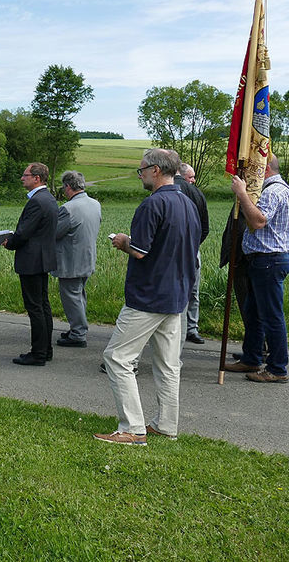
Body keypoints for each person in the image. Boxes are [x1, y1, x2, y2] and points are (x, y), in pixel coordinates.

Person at [94, 148, 200, 446]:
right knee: (168, 364)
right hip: (178, 294)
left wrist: (122, 241)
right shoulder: (187, 202)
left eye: (141, 169)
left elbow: (140, 250)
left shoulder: (152, 205)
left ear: (155, 170)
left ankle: (132, 427)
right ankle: (166, 424)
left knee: (117, 357)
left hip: (149, 295)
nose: (139, 174)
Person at [224, 154, 289, 383]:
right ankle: (252, 358)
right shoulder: (276, 189)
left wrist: (242, 194)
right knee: (254, 313)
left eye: (254, 168)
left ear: (264, 169)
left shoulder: (273, 191)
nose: (248, 173)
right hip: (264, 261)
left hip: (269, 261)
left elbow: (257, 221)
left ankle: (277, 369)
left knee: (271, 316)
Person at [1, 163, 61, 366]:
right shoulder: (50, 199)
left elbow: (24, 233)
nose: (21, 178)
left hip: (32, 260)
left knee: (35, 307)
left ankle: (38, 353)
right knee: (43, 306)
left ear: (37, 178)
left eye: (25, 175)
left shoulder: (37, 201)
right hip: (43, 259)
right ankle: (46, 349)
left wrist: (10, 242)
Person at [51, 170, 102, 349]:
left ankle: (78, 333)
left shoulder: (68, 208)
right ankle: (77, 328)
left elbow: (55, 232)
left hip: (70, 260)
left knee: (71, 297)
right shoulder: (95, 204)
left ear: (68, 186)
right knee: (79, 295)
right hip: (87, 257)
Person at [175, 163, 210, 345]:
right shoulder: (198, 194)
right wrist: (194, 245)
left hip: (174, 252)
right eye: (191, 177)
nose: (194, 180)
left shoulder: (167, 191)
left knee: (177, 290)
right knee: (193, 291)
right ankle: (192, 328)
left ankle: (180, 330)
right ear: (182, 175)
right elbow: (205, 228)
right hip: (194, 250)